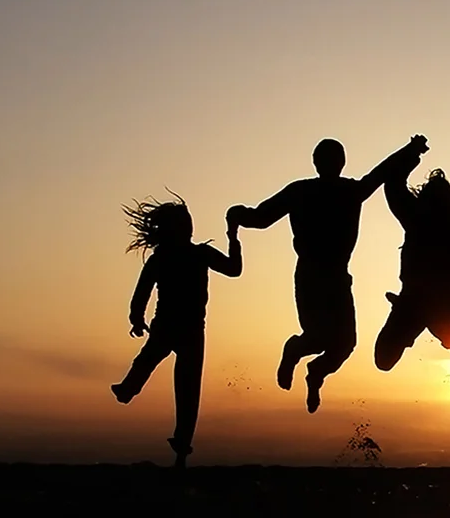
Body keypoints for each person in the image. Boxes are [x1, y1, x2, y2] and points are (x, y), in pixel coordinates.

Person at [228, 135, 428, 413]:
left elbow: (260, 218)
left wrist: (239, 216)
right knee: (322, 339)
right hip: (314, 276)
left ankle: (315, 373)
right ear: (333, 163)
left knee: (345, 344)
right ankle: (295, 350)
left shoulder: (326, 191)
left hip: (334, 278)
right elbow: (261, 217)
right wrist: (240, 217)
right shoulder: (332, 191)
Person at [110, 195, 243, 468]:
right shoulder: (196, 255)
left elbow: (141, 292)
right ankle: (179, 448)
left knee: (160, 369)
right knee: (187, 391)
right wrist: (233, 238)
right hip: (187, 329)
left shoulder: (169, 257)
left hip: (175, 326)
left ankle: (129, 389)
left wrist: (136, 318)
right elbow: (234, 269)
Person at [374, 153, 450, 372]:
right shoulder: (419, 217)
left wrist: (412, 155)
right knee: (383, 361)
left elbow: (393, 183)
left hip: (443, 303)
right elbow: (393, 184)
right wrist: (411, 155)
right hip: (414, 301)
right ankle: (422, 331)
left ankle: (439, 331)